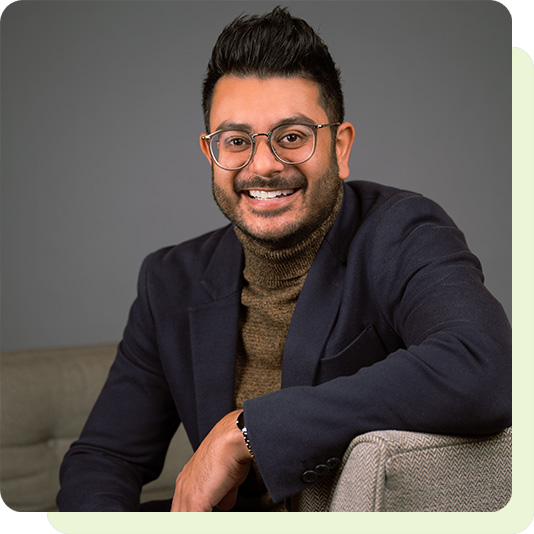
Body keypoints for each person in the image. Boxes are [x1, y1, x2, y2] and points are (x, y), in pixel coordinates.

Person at [57, 7, 512, 512]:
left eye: (292, 137)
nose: (264, 165)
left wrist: (247, 431)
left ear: (339, 147)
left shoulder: (402, 232)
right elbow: (103, 459)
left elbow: (486, 365)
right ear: (211, 153)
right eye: (236, 141)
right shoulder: (169, 280)